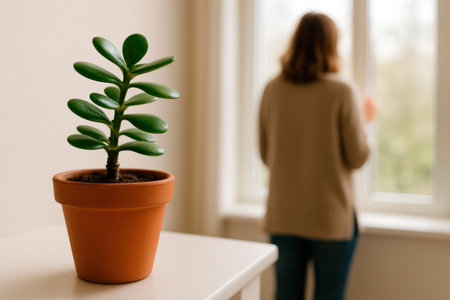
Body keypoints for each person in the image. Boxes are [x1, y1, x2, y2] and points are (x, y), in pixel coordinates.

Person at [258, 12, 376, 300]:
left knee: (286, 294)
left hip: (283, 217)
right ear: (333, 45)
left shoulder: (273, 89)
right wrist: (367, 121)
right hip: (330, 219)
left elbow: (266, 155)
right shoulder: (343, 90)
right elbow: (358, 157)